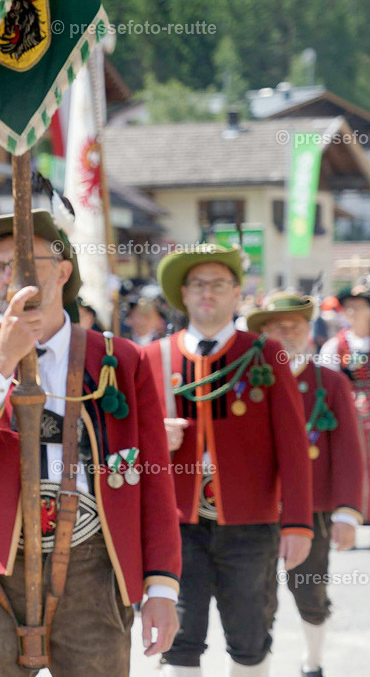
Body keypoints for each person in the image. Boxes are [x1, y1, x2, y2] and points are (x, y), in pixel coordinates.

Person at [0, 211, 181, 677]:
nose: (14, 275)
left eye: (27, 260)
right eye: (1, 266)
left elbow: (154, 480)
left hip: (93, 565)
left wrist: (162, 590)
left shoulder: (119, 359)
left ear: (64, 270)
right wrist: (3, 359)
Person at [144, 245, 313, 677]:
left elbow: (294, 447)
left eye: (219, 284)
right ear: (183, 293)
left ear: (237, 293)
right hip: (176, 522)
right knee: (180, 639)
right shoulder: (153, 358)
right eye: (198, 284)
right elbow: (122, 445)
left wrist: (297, 523)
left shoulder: (267, 353)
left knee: (250, 633)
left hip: (250, 521)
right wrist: (153, 440)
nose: (208, 293)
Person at [248, 293, 366, 677]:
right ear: (262, 332)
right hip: (258, 509)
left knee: (310, 591)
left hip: (313, 507)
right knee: (256, 598)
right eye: (276, 327)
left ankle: (312, 662)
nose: (286, 333)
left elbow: (350, 451)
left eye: (294, 325)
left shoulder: (328, 382)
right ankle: (256, 666)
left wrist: (347, 513)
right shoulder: (247, 379)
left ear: (308, 331)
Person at [319, 284, 370, 518]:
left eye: (358, 307)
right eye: (348, 308)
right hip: (349, 411)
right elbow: (325, 382)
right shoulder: (335, 345)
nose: (352, 313)